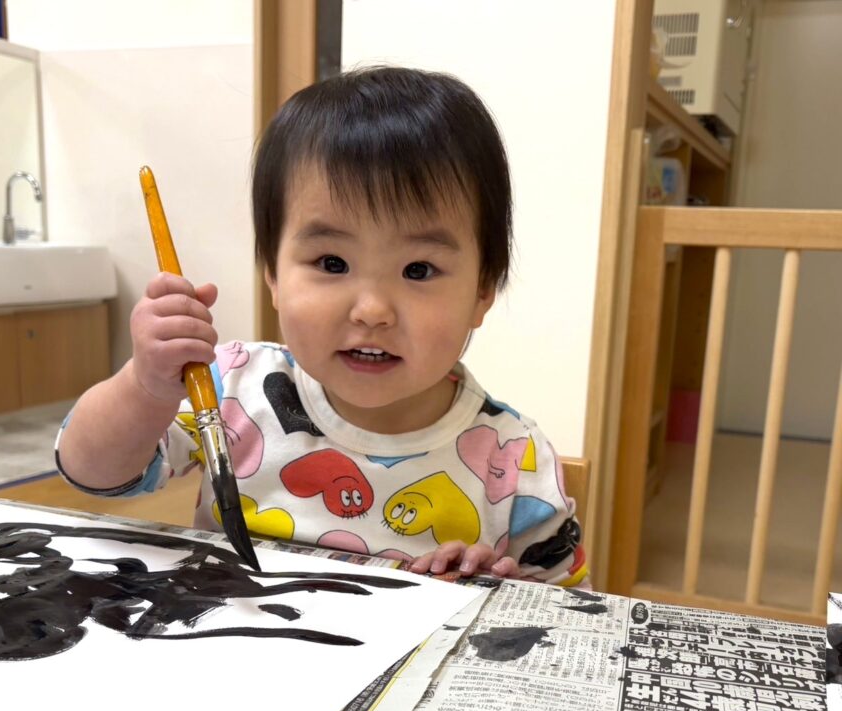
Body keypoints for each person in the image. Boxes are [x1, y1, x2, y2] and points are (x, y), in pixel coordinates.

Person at [56, 66, 588, 586]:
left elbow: (571, 613)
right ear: (273, 274)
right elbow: (93, 475)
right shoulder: (230, 388)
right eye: (332, 263)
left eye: (418, 270)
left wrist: (499, 585)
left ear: (482, 291)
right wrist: (145, 385)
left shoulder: (514, 461)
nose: (372, 309)